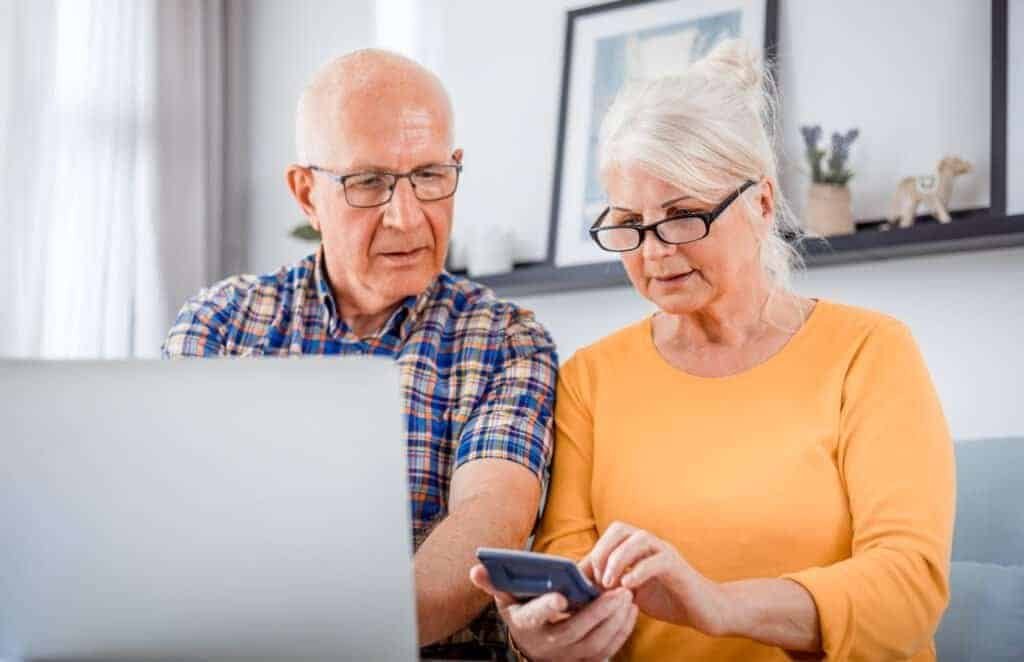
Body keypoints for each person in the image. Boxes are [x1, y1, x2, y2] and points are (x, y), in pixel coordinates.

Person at [471, 39, 955, 661]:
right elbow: (571, 567)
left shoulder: (870, 353)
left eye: (681, 217)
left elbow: (908, 590)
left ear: (759, 202)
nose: (653, 252)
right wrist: (543, 636)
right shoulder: (590, 378)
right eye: (629, 224)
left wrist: (719, 605)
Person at [164, 49, 557, 659]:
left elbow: (489, 520)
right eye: (368, 182)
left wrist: (332, 640)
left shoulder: (507, 342)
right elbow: (180, 521)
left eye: (429, 176)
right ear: (306, 193)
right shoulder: (220, 324)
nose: (405, 218)